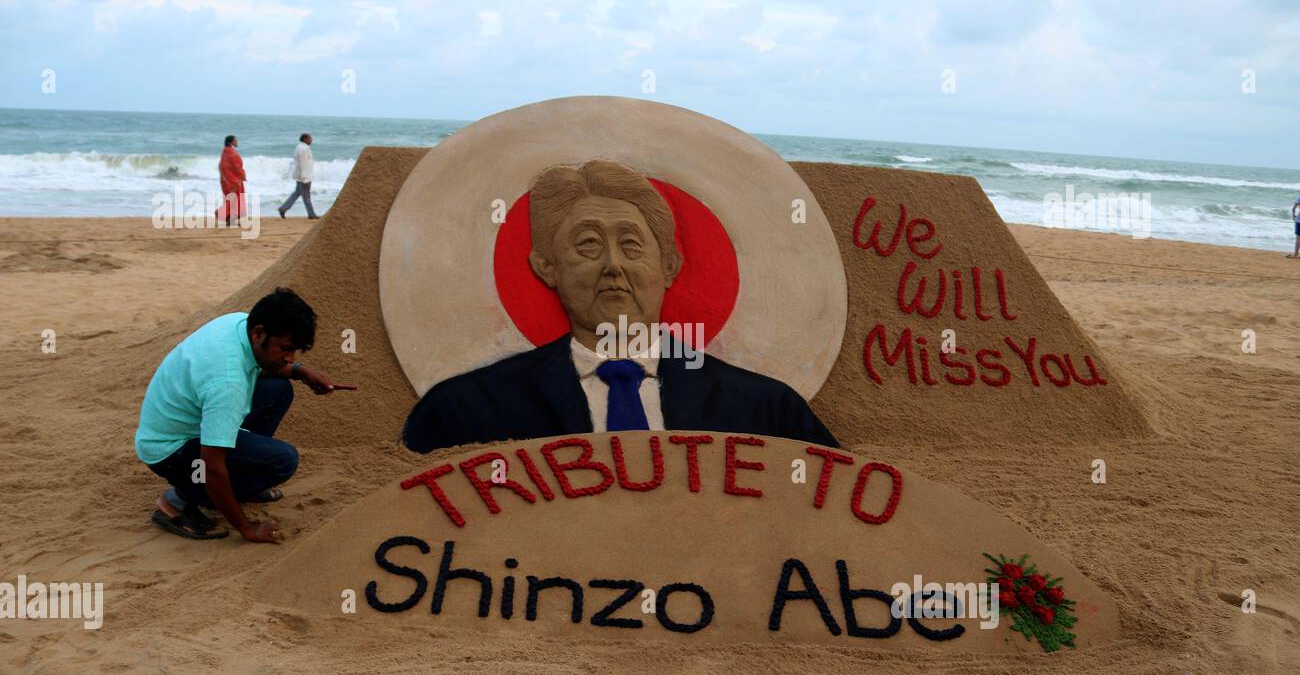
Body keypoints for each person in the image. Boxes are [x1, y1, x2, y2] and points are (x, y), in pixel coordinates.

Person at [402, 159, 837, 453]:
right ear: (546, 266)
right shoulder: (465, 409)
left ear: (669, 266)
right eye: (588, 245)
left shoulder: (764, 409)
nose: (613, 265)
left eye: (632, 245)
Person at [135, 288, 353, 542]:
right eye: (285, 348)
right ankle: (179, 501)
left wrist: (298, 371)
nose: (289, 357)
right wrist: (246, 527)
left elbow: (258, 366)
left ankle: (238, 479)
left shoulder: (238, 323)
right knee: (283, 460)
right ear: (259, 333)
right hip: (170, 450)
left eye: (294, 351)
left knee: (278, 390)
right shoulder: (228, 383)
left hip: (184, 422)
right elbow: (211, 466)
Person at [278, 133, 319, 219]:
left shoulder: (301, 147)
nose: (312, 140)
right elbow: (302, 163)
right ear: (305, 139)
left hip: (302, 175)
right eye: (310, 138)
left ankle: (283, 208)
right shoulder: (303, 148)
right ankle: (311, 214)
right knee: (306, 196)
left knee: (297, 193)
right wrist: (304, 177)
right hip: (304, 176)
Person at [215, 134, 246, 227]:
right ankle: (224, 216)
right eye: (235, 140)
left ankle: (229, 220)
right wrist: (241, 174)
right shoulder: (230, 153)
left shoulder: (226, 152)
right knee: (234, 200)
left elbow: (223, 166)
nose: (237, 142)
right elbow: (233, 167)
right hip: (233, 180)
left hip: (230, 179)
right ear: (231, 142)